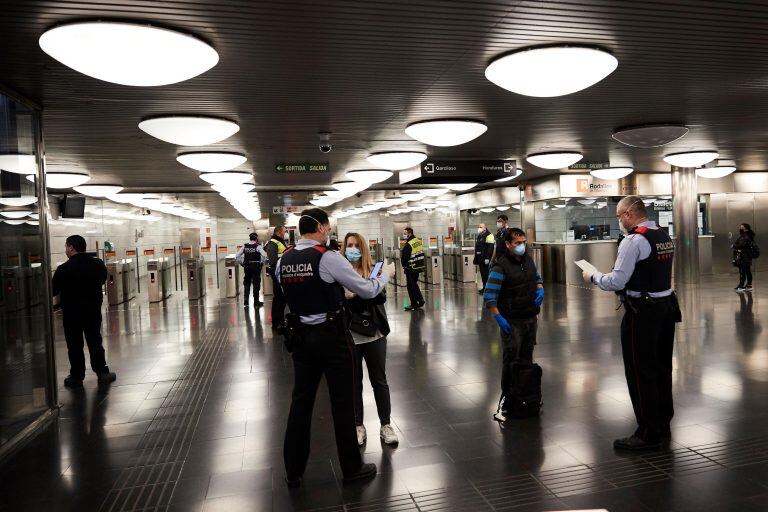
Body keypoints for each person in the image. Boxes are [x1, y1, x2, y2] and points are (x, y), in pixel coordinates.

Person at [277, 208, 393, 487]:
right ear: (320, 227)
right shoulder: (327, 257)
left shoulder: (284, 259)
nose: (328, 233)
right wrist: (384, 275)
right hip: (331, 337)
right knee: (342, 403)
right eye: (327, 228)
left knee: (300, 403)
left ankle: (293, 470)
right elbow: (366, 290)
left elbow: (288, 293)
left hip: (301, 338)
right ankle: (352, 469)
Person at [582, 196, 680, 451]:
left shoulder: (633, 240)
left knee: (640, 370)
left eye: (618, 216)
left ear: (628, 214)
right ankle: (662, 423)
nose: (619, 221)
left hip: (643, 313)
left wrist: (592, 276)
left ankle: (648, 432)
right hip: (665, 307)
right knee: (661, 368)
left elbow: (617, 281)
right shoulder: (663, 235)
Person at [340, 232, 398, 447]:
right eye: (349, 246)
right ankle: (358, 425)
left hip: (375, 334)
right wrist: (364, 291)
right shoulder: (341, 272)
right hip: (351, 336)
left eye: (356, 245)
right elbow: (345, 303)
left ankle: (386, 425)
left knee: (379, 381)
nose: (352, 249)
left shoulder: (374, 270)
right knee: (354, 383)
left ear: (363, 248)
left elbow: (379, 297)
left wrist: (356, 293)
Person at [483, 228, 544, 422]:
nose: (521, 246)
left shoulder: (528, 260)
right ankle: (508, 399)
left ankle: (525, 395)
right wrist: (499, 318)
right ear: (508, 244)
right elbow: (489, 296)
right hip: (512, 321)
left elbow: (536, 277)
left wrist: (540, 288)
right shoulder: (501, 267)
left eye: (523, 242)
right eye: (517, 243)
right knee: (511, 360)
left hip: (530, 318)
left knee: (526, 358)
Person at [51, 235, 116, 388]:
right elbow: (102, 279)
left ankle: (76, 376)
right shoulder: (98, 264)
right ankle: (102, 373)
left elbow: (53, 291)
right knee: (95, 341)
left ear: (72, 247)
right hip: (92, 312)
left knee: (74, 344)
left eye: (66, 246)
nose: (65, 249)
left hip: (71, 314)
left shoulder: (63, 269)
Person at [264, 226, 289, 330]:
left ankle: (280, 320)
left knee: (282, 299)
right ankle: (276, 323)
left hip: (281, 273)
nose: (286, 233)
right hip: (277, 274)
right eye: (284, 232)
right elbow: (273, 261)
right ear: (279, 233)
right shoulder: (273, 243)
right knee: (278, 298)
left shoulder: (280, 242)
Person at [235, 232, 266, 307]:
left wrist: (241, 263)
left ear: (250, 238)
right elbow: (264, 255)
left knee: (247, 282)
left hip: (247, 266)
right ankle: (256, 302)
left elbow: (237, 256)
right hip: (256, 267)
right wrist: (261, 262)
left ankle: (246, 300)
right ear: (256, 239)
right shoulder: (258, 246)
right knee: (256, 283)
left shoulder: (245, 246)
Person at [400, 226, 425, 311]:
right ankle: (420, 300)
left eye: (405, 233)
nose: (404, 235)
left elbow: (405, 257)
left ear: (409, 233)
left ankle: (414, 304)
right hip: (418, 267)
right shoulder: (418, 241)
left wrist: (404, 265)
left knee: (410, 286)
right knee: (414, 284)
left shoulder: (409, 244)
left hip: (411, 267)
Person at [733, 223, 757, 292]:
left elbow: (741, 245)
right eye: (740, 227)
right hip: (748, 256)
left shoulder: (744, 236)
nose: (740, 228)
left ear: (746, 229)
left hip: (744, 257)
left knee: (742, 271)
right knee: (747, 271)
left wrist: (734, 246)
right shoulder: (749, 235)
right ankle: (749, 285)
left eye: (742, 227)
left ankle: (741, 286)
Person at [473, 223, 495, 294]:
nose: (479, 228)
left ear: (485, 228)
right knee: (482, 274)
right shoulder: (480, 235)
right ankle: (484, 287)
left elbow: (490, 248)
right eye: (479, 227)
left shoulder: (489, 235)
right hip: (480, 258)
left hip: (485, 258)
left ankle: (489, 289)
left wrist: (487, 258)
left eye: (481, 227)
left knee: (486, 274)